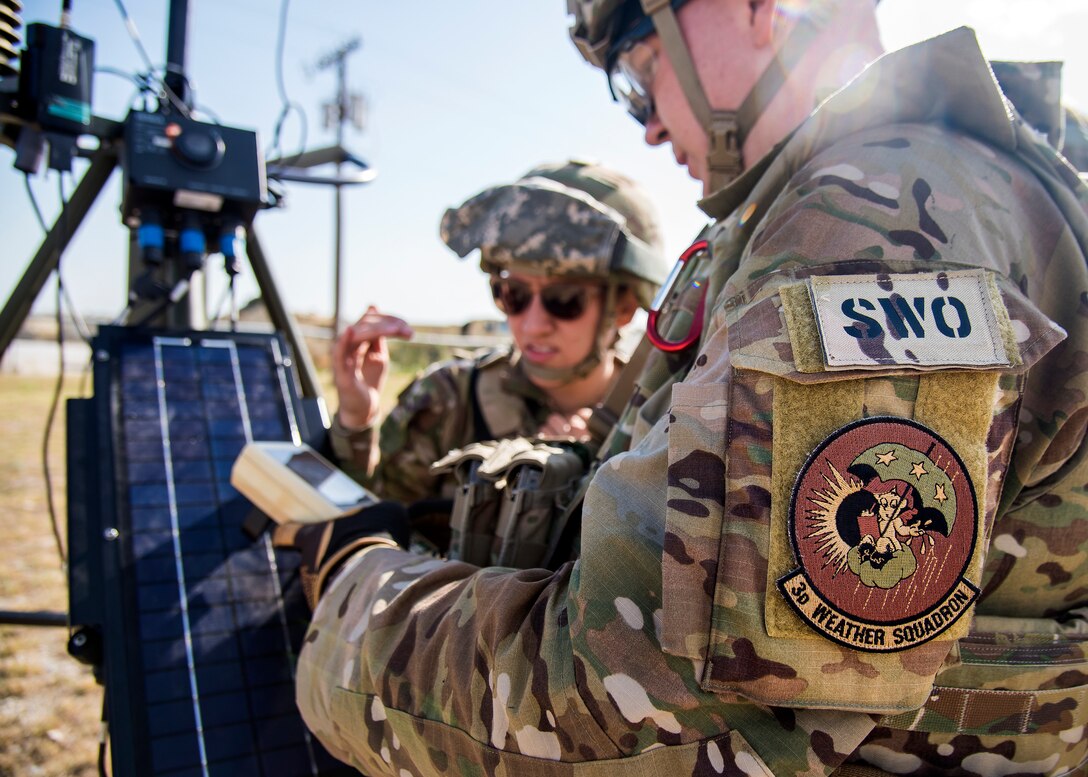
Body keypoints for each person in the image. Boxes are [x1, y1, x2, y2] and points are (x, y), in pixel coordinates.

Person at [286, 1, 1088, 774]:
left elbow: (635, 715)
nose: (648, 122)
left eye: (643, 69)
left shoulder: (872, 224)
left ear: (757, 6)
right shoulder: (788, 217)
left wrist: (359, 587)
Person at [327, 158, 667, 553]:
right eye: (514, 294)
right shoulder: (448, 398)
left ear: (623, 306)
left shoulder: (654, 424)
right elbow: (369, 532)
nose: (532, 324)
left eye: (564, 299)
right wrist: (356, 420)